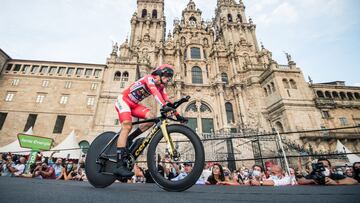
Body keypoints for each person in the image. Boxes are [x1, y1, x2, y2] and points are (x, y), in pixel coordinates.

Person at [113, 64, 187, 177]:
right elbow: (155, 93)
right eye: (167, 76)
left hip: (134, 105)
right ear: (160, 73)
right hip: (123, 100)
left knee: (152, 118)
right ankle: (118, 165)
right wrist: (163, 105)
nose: (168, 80)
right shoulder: (149, 78)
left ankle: (130, 139)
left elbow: (167, 100)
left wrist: (178, 115)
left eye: (169, 77)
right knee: (127, 126)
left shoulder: (161, 87)